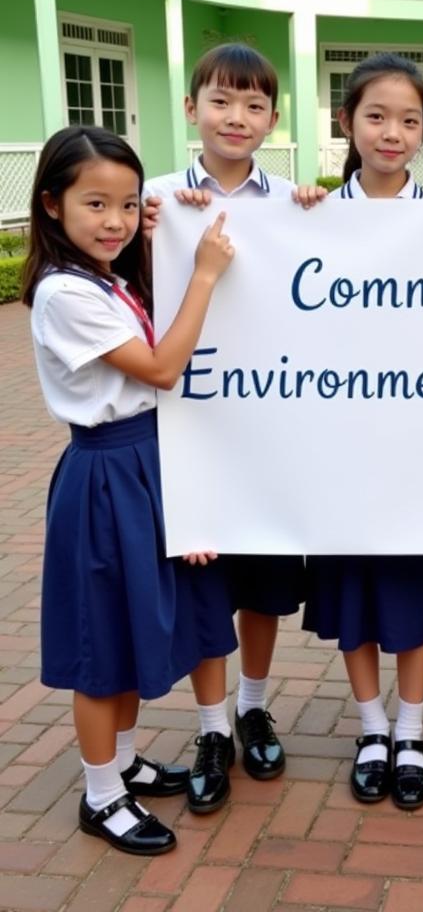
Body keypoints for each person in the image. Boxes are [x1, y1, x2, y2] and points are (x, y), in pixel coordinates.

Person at [22, 125, 236, 854]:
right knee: (103, 643)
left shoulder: (107, 275)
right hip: (107, 471)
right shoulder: (62, 294)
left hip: (148, 461)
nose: (112, 222)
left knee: (136, 621)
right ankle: (101, 794)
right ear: (51, 205)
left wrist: (154, 239)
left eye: (124, 204)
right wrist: (204, 273)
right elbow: (160, 368)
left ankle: (122, 760)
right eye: (94, 205)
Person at [145, 43, 300, 812]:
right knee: (206, 581)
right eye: (220, 101)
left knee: (264, 583)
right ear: (191, 107)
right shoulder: (156, 200)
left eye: (253, 105)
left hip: (272, 425)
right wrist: (143, 237)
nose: (235, 118)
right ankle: (210, 728)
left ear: (274, 119)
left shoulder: (297, 204)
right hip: (193, 423)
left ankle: (253, 704)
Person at [299, 53, 423, 809]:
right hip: (339, 447)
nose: (393, 133)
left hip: (422, 446)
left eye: (410, 120)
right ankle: (370, 725)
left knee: (415, 587)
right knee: (353, 589)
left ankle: (412, 729)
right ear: (346, 122)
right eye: (376, 116)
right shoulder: (306, 217)